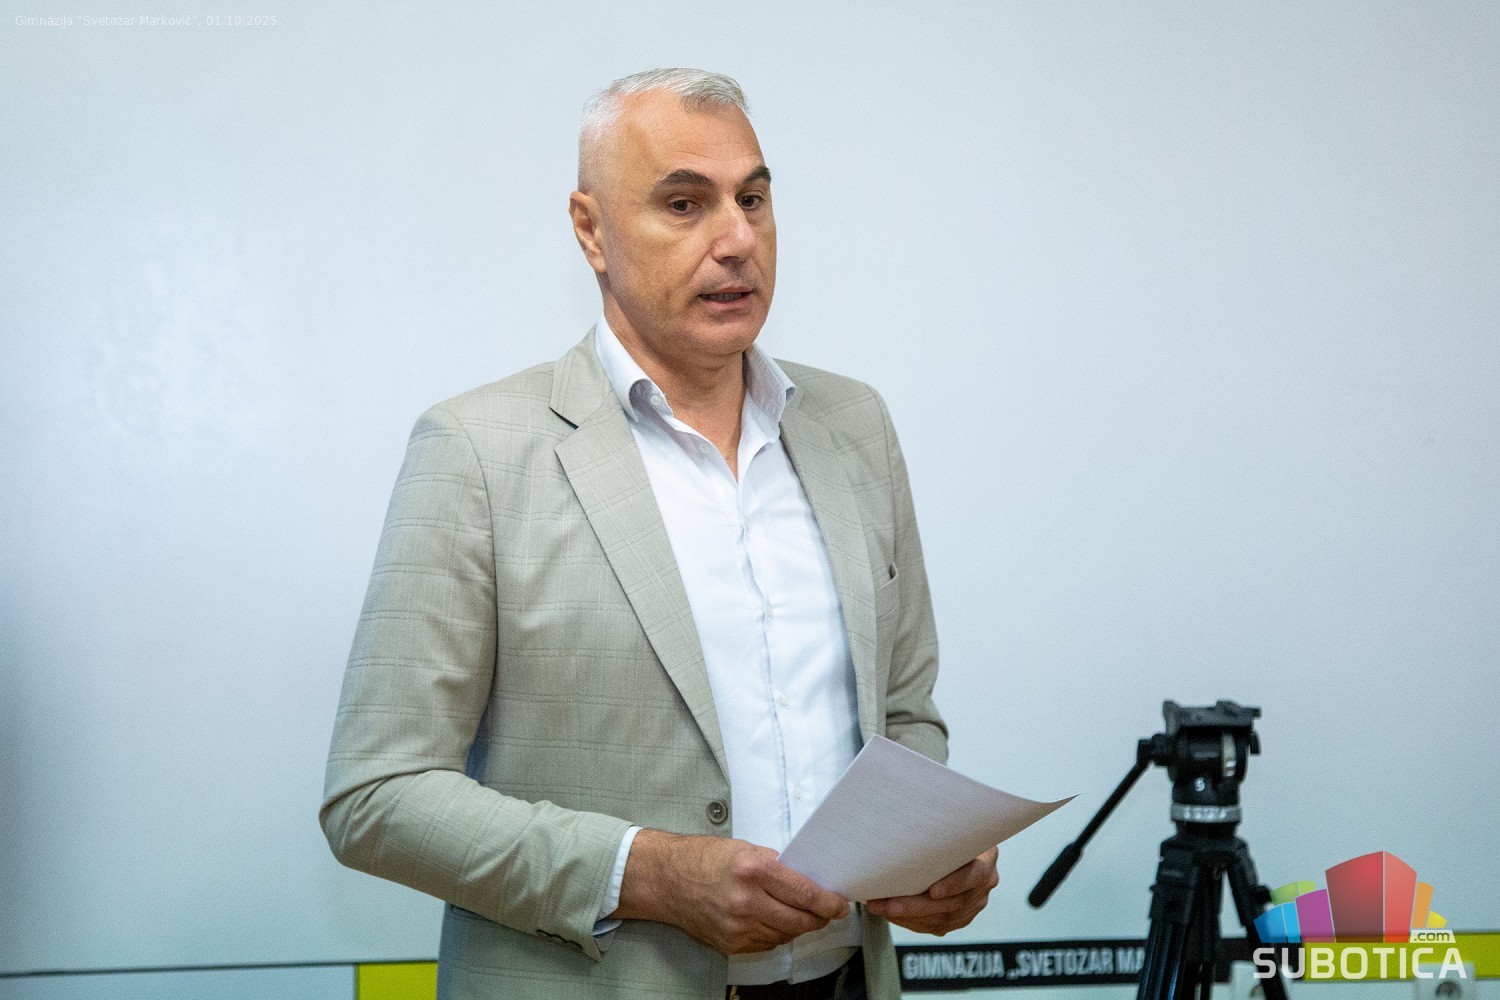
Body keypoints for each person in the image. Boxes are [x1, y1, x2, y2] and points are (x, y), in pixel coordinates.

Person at [321, 68, 998, 1000]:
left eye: (752, 199)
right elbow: (376, 796)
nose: (737, 240)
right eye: (685, 204)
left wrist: (930, 849)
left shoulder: (855, 427)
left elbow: (905, 715)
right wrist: (645, 874)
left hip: (846, 980)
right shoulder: (477, 451)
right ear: (591, 230)